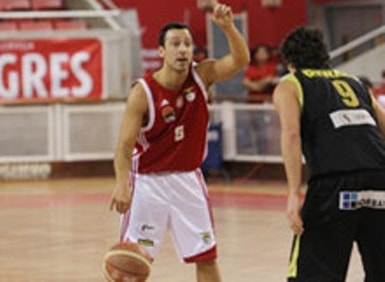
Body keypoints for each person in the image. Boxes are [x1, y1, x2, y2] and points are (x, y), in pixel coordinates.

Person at [110, 2, 249, 282]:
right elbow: (124, 147)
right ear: (162, 51)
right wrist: (121, 184)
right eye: (175, 43)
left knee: (206, 257)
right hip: (148, 183)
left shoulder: (203, 75)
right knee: (132, 262)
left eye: (187, 43)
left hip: (188, 180)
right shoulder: (143, 92)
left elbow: (239, 61)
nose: (183, 49)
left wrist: (228, 27)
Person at [273, 26, 385, 282]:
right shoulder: (355, 82)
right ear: (325, 55)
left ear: (290, 61)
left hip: (333, 182)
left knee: (315, 272)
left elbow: (291, 135)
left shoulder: (290, 84)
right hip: (379, 179)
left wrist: (293, 193)